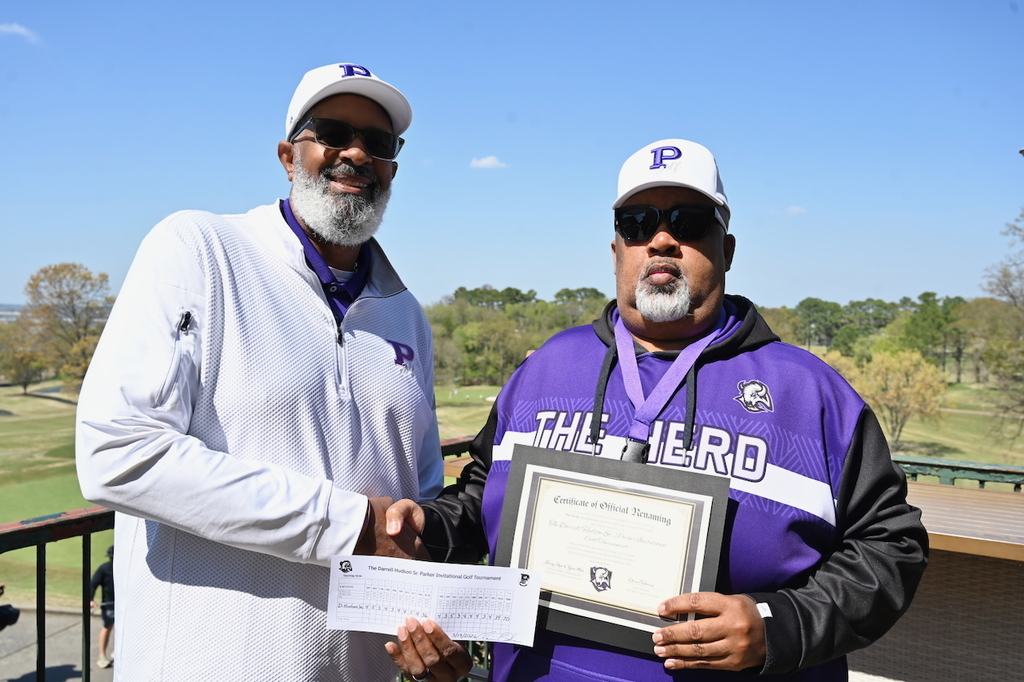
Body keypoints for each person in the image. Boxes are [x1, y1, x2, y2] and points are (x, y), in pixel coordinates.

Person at [383, 139, 929, 681]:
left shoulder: (810, 392)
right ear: (617, 250)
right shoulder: (545, 369)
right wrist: (432, 526)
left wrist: (778, 626)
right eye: (638, 223)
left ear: (727, 249)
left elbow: (891, 546)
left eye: (689, 222)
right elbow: (482, 495)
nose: (662, 239)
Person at [76, 63, 442, 682]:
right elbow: (119, 452)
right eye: (332, 133)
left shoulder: (406, 314)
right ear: (288, 155)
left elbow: (420, 499)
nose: (356, 153)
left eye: (378, 143)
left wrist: (437, 627)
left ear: (392, 169)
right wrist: (347, 525)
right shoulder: (198, 248)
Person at [90, 545, 115, 669]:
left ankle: (118, 651)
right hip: (109, 606)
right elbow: (92, 584)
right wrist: (90, 599)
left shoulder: (125, 568)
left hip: (122, 606)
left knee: (123, 629)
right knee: (107, 628)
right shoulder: (104, 568)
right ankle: (102, 656)